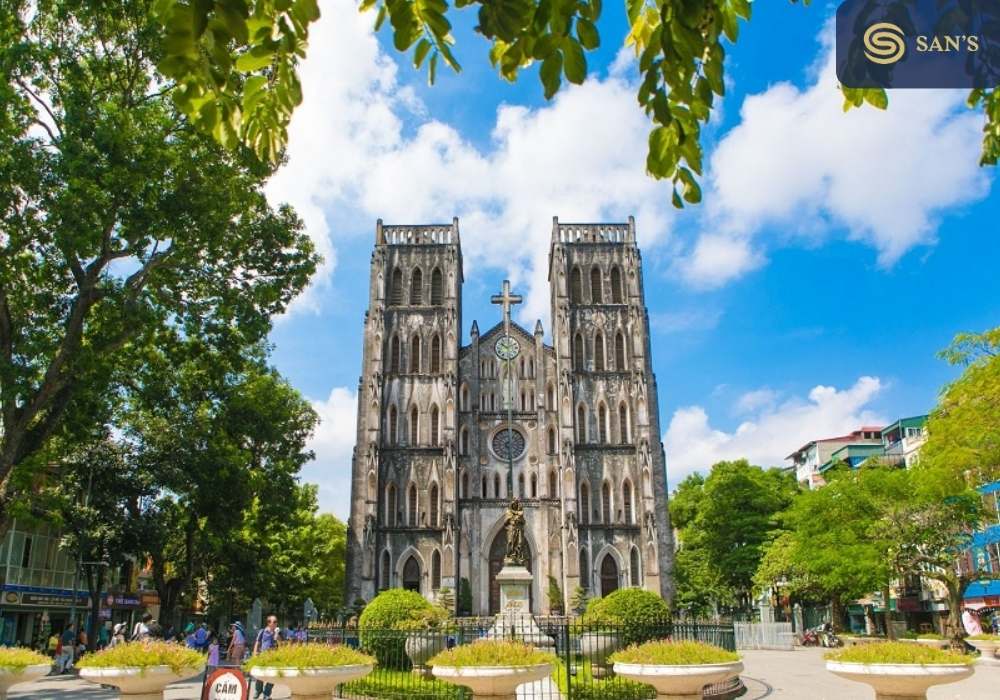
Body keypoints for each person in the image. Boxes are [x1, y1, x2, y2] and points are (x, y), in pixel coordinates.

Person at [252, 615, 282, 700]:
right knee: (260, 674)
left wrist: (277, 636)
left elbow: (281, 644)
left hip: (273, 656)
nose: (276, 623)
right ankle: (258, 690)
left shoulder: (278, 632)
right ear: (269, 623)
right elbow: (257, 642)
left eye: (276, 622)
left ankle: (266, 693)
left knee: (272, 675)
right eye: (274, 622)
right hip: (263, 655)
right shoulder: (262, 631)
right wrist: (254, 653)